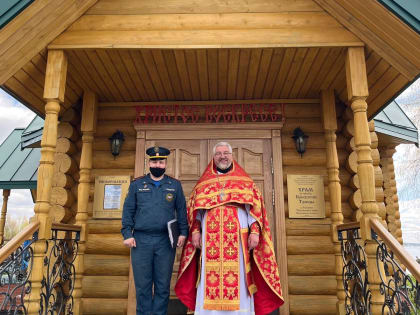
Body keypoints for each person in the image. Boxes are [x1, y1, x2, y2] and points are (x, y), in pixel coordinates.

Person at [175, 142, 284, 315]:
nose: (222, 156)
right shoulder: (204, 183)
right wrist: (195, 232)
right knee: (208, 277)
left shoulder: (245, 181)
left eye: (226, 153)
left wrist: (255, 232)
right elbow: (196, 212)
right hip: (210, 239)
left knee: (239, 277)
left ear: (232, 156)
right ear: (213, 157)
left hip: (237, 240)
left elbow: (254, 210)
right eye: (218, 153)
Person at [121, 146, 189, 315]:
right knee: (143, 286)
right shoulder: (137, 184)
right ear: (149, 162)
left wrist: (183, 233)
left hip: (166, 241)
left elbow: (181, 211)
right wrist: (127, 234)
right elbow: (128, 210)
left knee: (162, 285)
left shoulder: (174, 185)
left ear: (166, 163)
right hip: (141, 241)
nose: (157, 165)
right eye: (154, 161)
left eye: (161, 162)